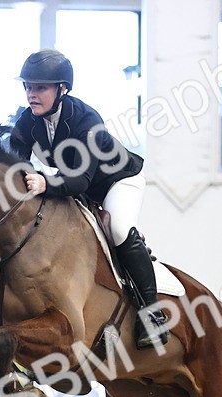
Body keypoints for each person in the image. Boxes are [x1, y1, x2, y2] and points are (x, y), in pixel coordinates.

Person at [9, 49, 168, 350]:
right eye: (28, 87)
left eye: (40, 87)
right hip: (77, 187)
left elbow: (81, 179)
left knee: (118, 228)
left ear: (62, 89)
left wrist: (45, 181)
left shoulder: (86, 120)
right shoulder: (28, 119)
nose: (32, 94)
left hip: (116, 182)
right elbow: (13, 159)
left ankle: (153, 315)